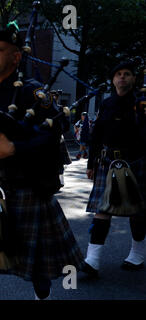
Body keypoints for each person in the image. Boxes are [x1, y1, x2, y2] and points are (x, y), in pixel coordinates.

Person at [0, 24, 83, 300]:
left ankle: (42, 296)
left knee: (35, 265)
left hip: (25, 188)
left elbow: (55, 135)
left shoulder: (34, 91)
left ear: (16, 57)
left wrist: (15, 148)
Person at [82, 60, 146, 277]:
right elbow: (96, 135)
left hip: (136, 162)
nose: (122, 77)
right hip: (107, 163)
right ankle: (92, 260)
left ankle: (136, 255)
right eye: (118, 74)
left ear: (133, 79)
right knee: (102, 210)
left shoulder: (141, 103)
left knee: (138, 212)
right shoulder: (107, 103)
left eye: (127, 74)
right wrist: (91, 163)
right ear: (112, 79)